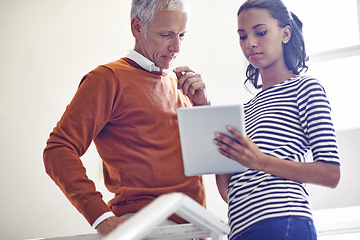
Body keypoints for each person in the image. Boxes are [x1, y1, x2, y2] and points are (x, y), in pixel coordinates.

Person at [43, 0, 210, 237]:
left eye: (182, 35)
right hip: (146, 227)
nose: (177, 47)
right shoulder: (107, 79)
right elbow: (58, 149)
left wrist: (203, 107)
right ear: (137, 27)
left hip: (198, 229)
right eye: (166, 35)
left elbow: (212, 161)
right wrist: (100, 217)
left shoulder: (182, 88)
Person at [214, 0, 341, 239]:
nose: (250, 43)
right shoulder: (244, 110)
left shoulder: (305, 87)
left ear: (285, 33)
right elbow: (231, 191)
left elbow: (331, 173)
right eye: (242, 36)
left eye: (260, 32)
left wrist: (261, 161)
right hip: (240, 229)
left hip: (283, 221)